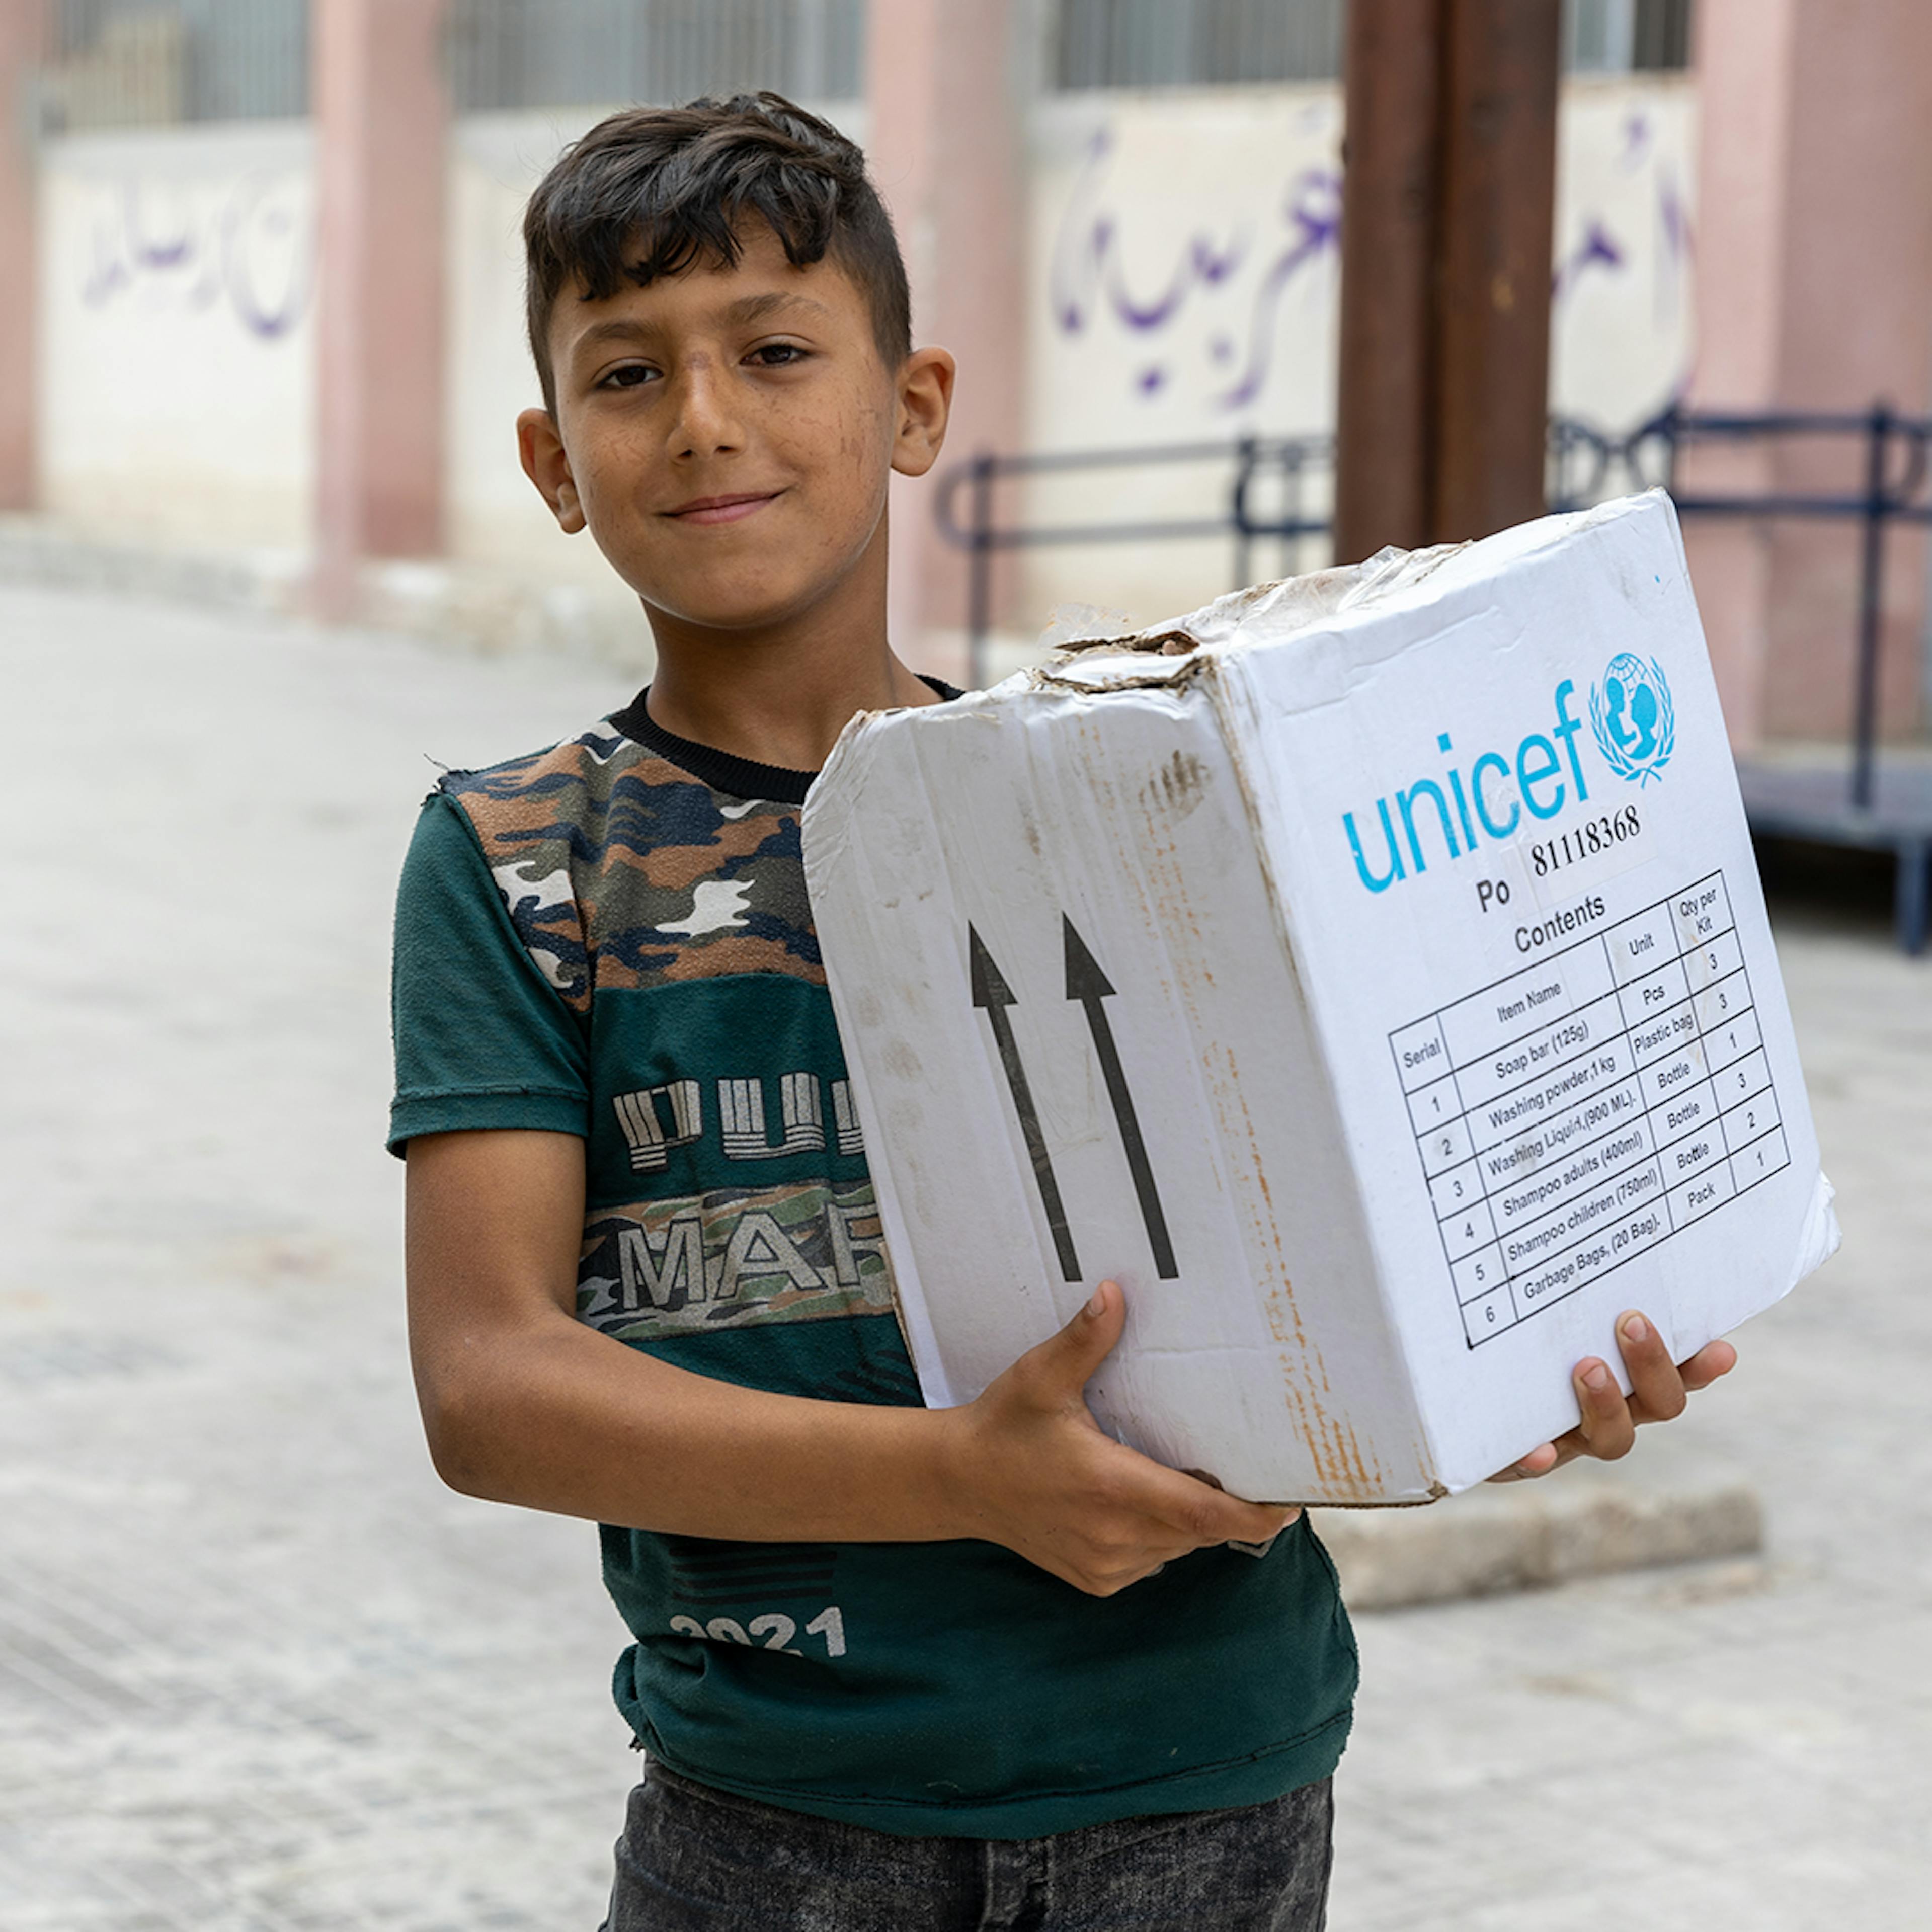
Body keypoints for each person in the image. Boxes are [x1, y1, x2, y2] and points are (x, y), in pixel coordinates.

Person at [388, 93, 1737, 1931]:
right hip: (775, 1809)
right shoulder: (520, 857)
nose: (706, 421)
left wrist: (1494, 1373)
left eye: (777, 352)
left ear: (915, 403)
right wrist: (959, 1479)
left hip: (1211, 1772)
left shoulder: (1120, 801)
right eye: (629, 378)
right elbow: (492, 1392)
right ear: (554, 461)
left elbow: (1308, 1260)